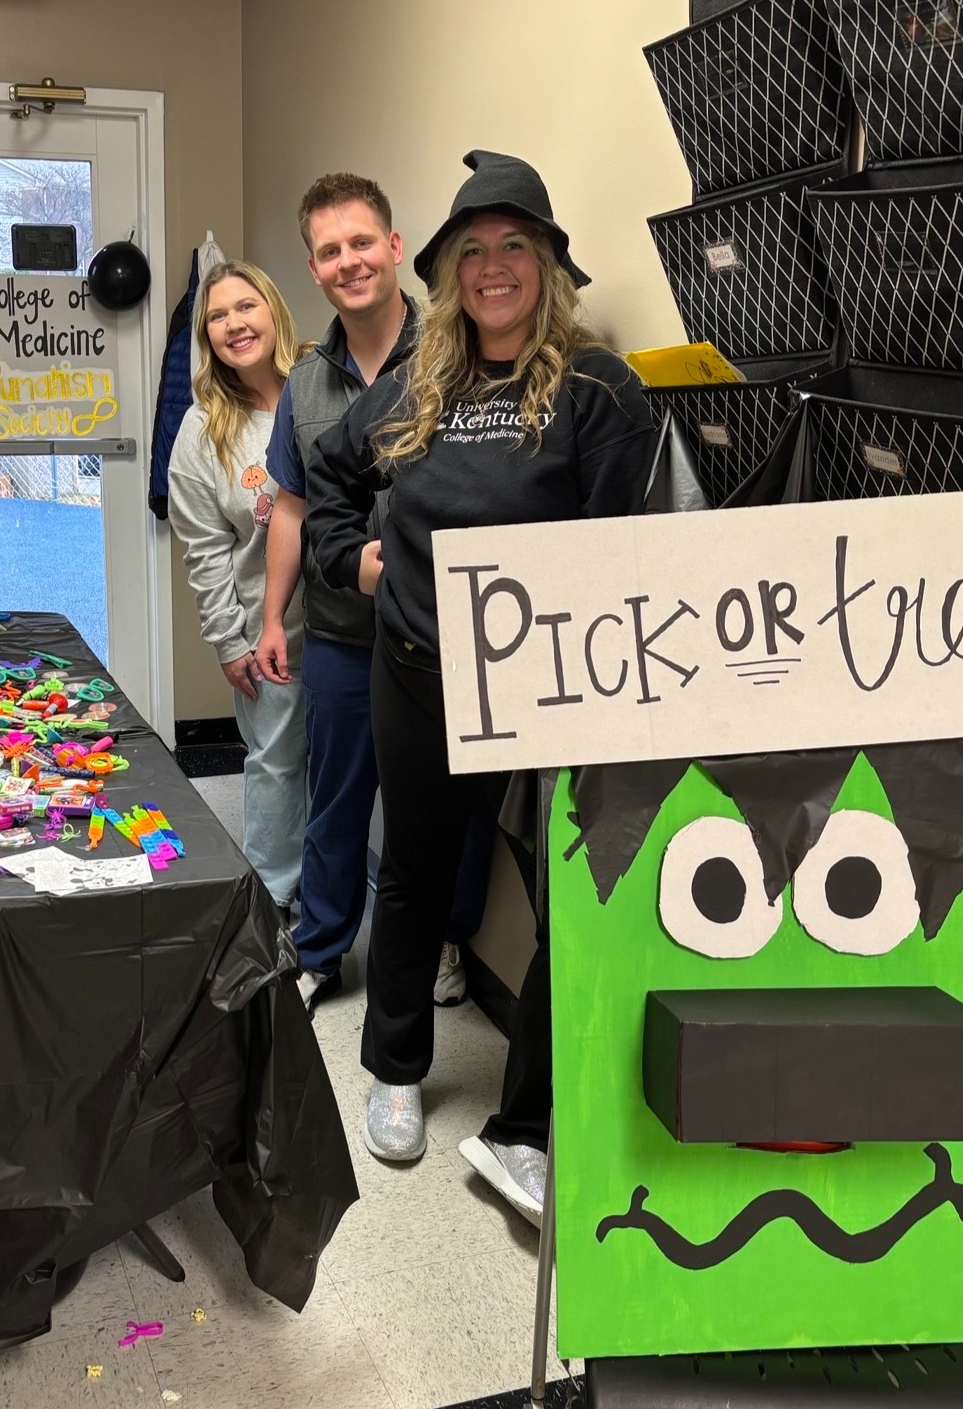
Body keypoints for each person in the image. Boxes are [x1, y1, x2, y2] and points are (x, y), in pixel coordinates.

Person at [307, 151, 659, 1217]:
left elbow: (625, 551)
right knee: (410, 876)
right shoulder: (420, 385)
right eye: (475, 250)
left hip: (557, 692)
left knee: (572, 899)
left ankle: (525, 1130)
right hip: (418, 672)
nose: (495, 267)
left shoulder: (601, 391)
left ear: (549, 266)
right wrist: (354, 560)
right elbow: (328, 475)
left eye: (517, 246)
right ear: (449, 270)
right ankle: (397, 1073)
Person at [256, 173, 488, 1013]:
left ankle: (445, 944)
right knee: (337, 799)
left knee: (448, 806)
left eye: (362, 242)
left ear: (394, 248)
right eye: (329, 251)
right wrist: (272, 616)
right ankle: (320, 949)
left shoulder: (459, 356)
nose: (349, 261)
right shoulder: (308, 385)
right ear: (314, 272)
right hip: (347, 634)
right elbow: (292, 505)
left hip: (449, 638)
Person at [168, 260, 308, 911]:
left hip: (356, 623)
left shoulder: (322, 386)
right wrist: (230, 641)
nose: (233, 324)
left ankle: (337, 900)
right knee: (276, 767)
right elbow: (205, 552)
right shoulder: (203, 433)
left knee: (353, 773)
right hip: (266, 634)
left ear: (273, 309)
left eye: (245, 306)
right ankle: (273, 903)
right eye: (217, 316)